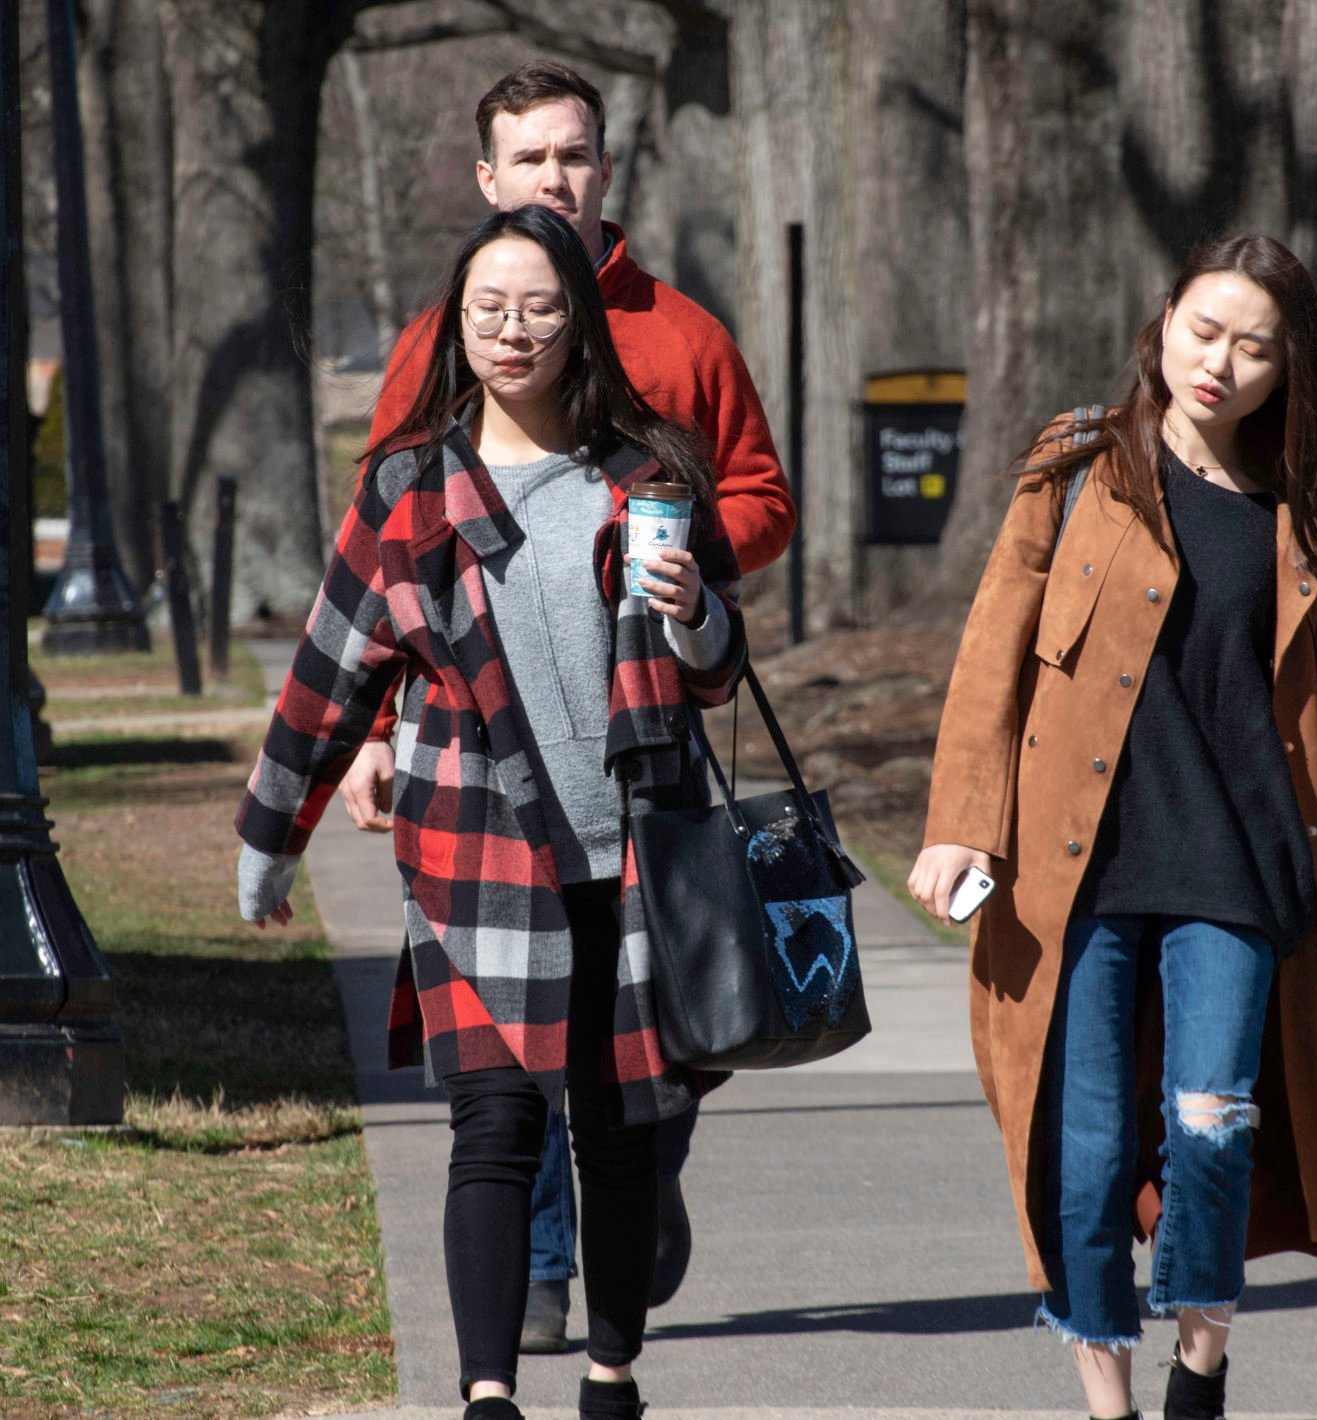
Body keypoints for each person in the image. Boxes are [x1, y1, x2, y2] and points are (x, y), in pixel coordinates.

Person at [906, 233, 1317, 1420]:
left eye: (1254, 345)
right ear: (1163, 319)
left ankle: (1198, 1374)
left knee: (1213, 1129)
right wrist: (959, 825)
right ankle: (1106, 1405)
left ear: (1287, 368)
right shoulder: (1072, 467)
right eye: (1204, 329)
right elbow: (988, 658)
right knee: (1085, 1151)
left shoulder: (1298, 516)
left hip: (1233, 866)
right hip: (1074, 876)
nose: (1219, 361)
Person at [238, 204, 741, 1420]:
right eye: (487, 309)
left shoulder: (651, 470)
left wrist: (692, 612)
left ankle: (612, 1379)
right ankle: (486, 1397)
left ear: (580, 322)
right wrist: (269, 841)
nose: (513, 331)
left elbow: (721, 668)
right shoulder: (408, 489)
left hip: (631, 853)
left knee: (621, 1129)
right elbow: (326, 677)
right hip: (473, 855)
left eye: (539, 307)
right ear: (456, 329)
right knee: (494, 1124)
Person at [338, 60, 793, 1352]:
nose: (555, 177)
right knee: (516, 1047)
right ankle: (539, 1274)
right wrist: (374, 736)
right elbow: (387, 550)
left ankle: (643, 1178)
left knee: (664, 1037)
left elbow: (763, 494)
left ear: (606, 170)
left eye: (574, 156)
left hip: (641, 743)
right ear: (490, 181)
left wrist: (679, 556)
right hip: (490, 770)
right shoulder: (448, 338)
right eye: (529, 159)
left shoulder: (683, 335)